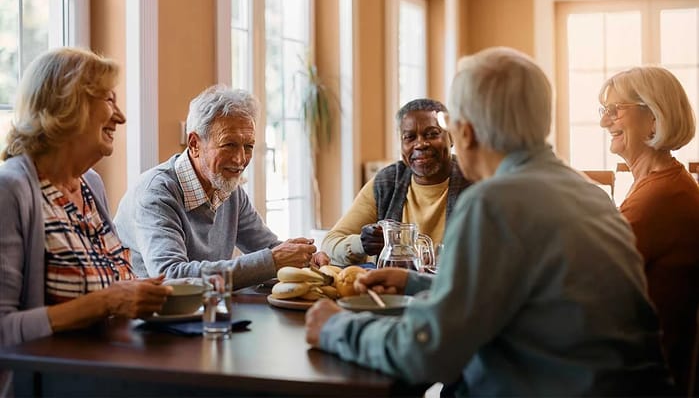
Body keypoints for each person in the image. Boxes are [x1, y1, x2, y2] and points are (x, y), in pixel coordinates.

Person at [305, 47, 674, 396]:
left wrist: (336, 327)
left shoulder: (493, 204)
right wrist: (414, 282)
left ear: (463, 133)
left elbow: (428, 353)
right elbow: (528, 299)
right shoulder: (591, 194)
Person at [0, 47, 172, 347]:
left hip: (109, 367)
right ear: (69, 105)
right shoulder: (11, 190)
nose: (121, 117)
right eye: (109, 100)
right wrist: (105, 302)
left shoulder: (91, 184)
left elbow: (114, 289)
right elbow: (4, 329)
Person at [113, 85, 329, 289]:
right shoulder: (156, 194)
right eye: (229, 145)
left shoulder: (228, 188)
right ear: (195, 144)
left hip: (204, 312)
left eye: (248, 146)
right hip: (143, 321)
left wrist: (305, 258)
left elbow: (268, 248)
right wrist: (273, 260)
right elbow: (171, 276)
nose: (240, 159)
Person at [598, 66, 699, 393]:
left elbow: (588, 283)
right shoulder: (663, 183)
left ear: (654, 117)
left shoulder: (660, 197)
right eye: (604, 111)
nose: (604, 122)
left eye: (615, 111)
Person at [321, 99, 471, 266]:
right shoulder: (387, 182)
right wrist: (362, 245)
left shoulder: (474, 179)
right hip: (393, 290)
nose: (420, 144)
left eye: (432, 134)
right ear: (401, 144)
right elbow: (329, 245)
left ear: (451, 137)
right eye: (410, 137)